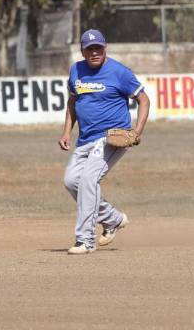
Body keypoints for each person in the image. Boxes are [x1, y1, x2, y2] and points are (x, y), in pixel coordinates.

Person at [58, 29, 150, 255]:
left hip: (111, 137)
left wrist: (137, 131)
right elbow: (73, 102)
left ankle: (85, 240)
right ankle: (113, 219)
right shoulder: (76, 70)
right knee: (71, 181)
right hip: (85, 138)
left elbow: (144, 100)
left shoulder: (118, 72)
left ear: (105, 47)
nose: (95, 52)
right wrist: (67, 132)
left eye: (98, 47)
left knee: (89, 179)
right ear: (83, 51)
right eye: (90, 49)